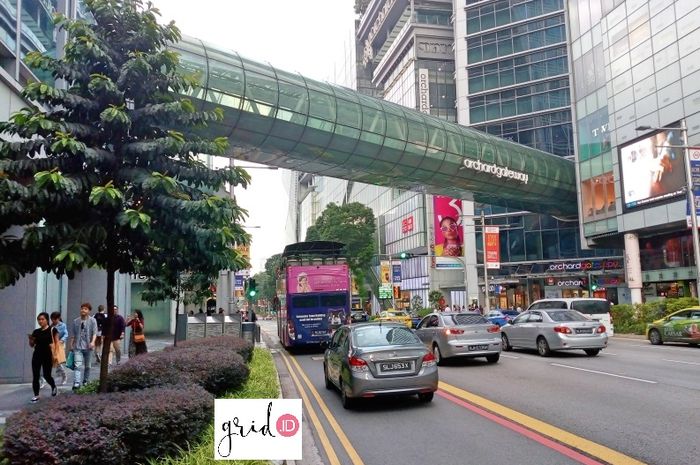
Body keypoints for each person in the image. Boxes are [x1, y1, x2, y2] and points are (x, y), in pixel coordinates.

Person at [28, 312, 58, 402]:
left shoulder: (53, 330)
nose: (40, 321)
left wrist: (56, 354)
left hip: (48, 356)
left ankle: (53, 386)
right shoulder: (36, 332)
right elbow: (32, 345)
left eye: (42, 319)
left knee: (47, 375)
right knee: (35, 376)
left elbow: (57, 343)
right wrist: (31, 340)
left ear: (47, 320)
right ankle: (36, 395)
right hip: (37, 355)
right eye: (39, 319)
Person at [69, 303, 97, 390]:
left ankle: (85, 381)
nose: (83, 310)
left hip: (89, 347)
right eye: (82, 308)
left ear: (89, 311)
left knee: (88, 366)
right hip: (78, 347)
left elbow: (95, 333)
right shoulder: (76, 321)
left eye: (85, 309)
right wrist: (71, 345)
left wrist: (93, 342)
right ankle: (77, 382)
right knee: (77, 365)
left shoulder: (93, 321)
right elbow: (73, 334)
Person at [49, 312, 68, 386]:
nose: (53, 321)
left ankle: (64, 376)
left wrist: (62, 340)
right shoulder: (51, 326)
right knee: (52, 361)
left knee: (58, 361)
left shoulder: (63, 325)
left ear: (58, 318)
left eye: (54, 319)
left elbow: (66, 334)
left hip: (60, 345)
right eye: (52, 319)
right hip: (53, 345)